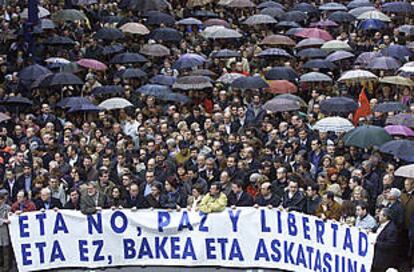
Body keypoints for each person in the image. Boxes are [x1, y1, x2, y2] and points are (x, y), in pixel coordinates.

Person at [0, 189, 11, 270]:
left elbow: (11, 218)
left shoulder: (8, 208)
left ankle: (6, 267)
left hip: (5, 232)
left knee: (6, 251)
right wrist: (3, 221)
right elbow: (5, 220)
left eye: (1, 199)